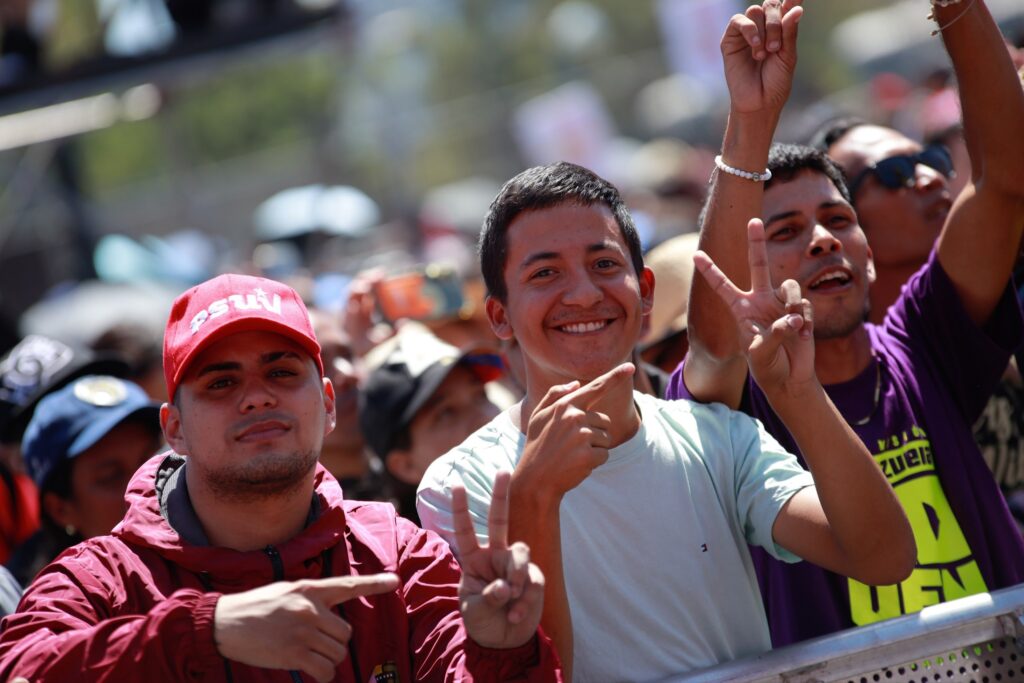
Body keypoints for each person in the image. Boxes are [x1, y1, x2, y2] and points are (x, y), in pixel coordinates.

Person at [417, 159, 914, 680]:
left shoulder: (714, 436)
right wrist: (535, 496)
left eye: (605, 264)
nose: (584, 294)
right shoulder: (459, 485)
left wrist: (798, 391)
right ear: (500, 316)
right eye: (545, 273)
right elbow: (538, 670)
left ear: (646, 290)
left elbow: (884, 559)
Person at [0, 273, 561, 682]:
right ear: (174, 429)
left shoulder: (395, 552)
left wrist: (501, 646)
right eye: (221, 383)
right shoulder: (104, 580)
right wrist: (206, 631)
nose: (258, 396)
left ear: (329, 403)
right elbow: (20, 667)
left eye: (281, 371)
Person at [672, 0, 1024, 647]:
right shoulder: (739, 408)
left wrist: (959, 8)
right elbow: (713, 339)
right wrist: (751, 120)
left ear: (865, 248)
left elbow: (1005, 180)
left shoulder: (924, 340)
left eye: (838, 220)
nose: (822, 242)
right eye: (784, 231)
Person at [6, 375, 164, 586]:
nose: (147, 480)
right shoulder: (58, 610)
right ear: (60, 510)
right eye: (111, 476)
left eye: (152, 457)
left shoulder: (216, 542)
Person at [358, 323, 504, 524]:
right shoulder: (409, 554)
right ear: (405, 466)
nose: (485, 417)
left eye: (480, 395)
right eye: (446, 413)